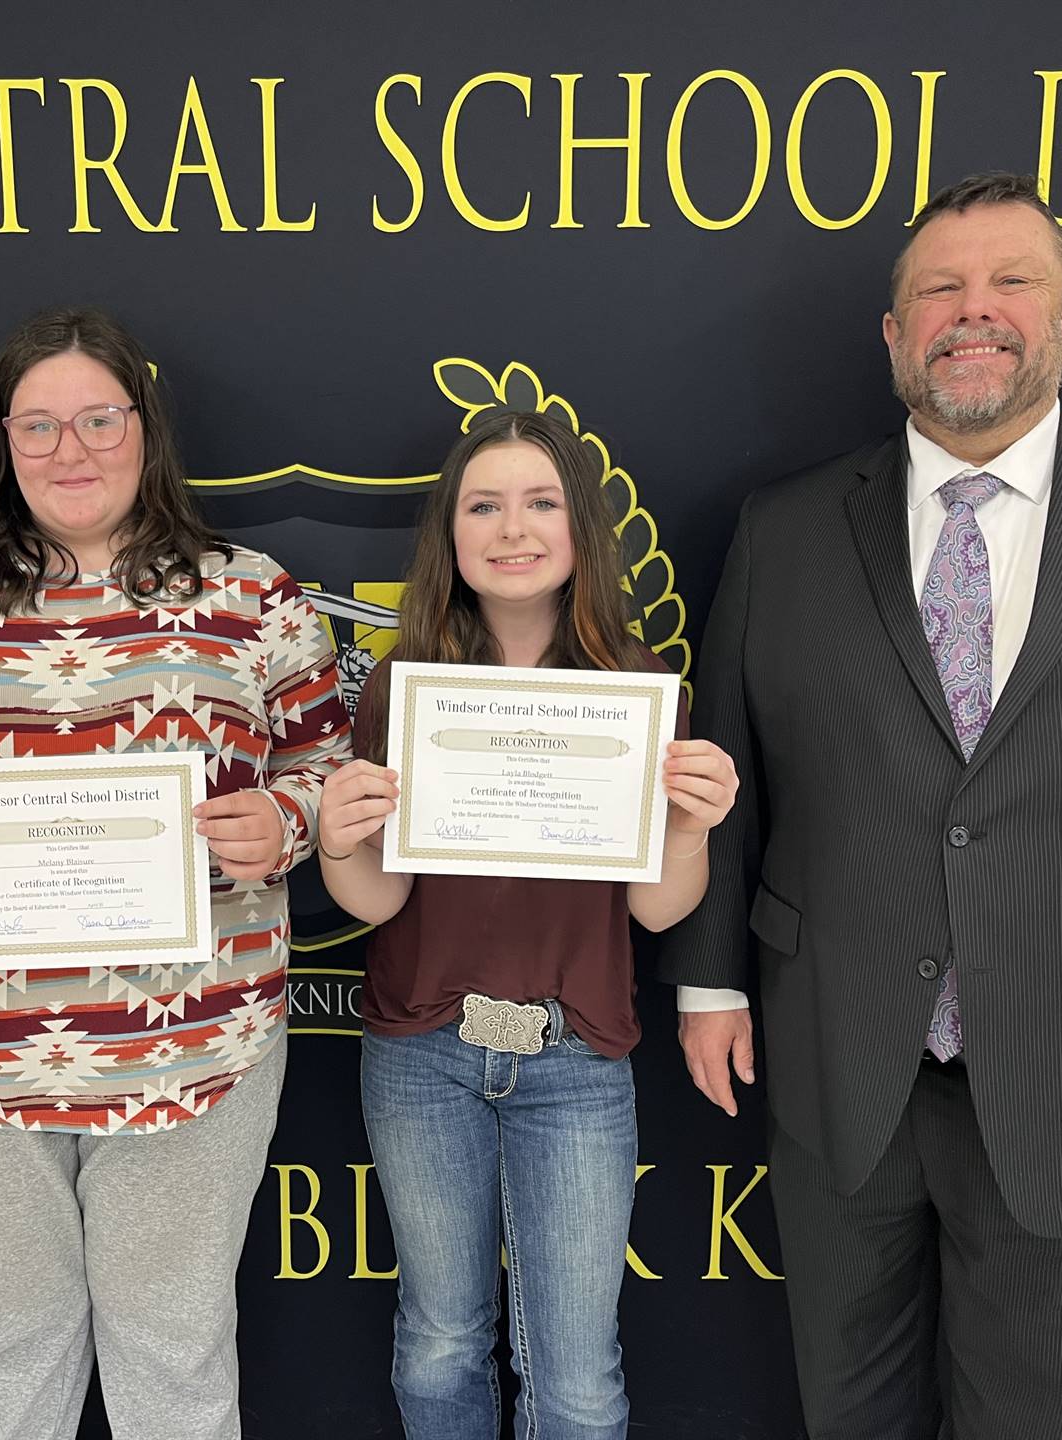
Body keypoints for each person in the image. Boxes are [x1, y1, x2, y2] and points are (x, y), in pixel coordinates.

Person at [665, 171, 1062, 1439]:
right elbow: (726, 770)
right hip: (837, 1058)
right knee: (843, 1411)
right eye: (939, 291)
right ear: (896, 335)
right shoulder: (786, 528)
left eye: (1011, 281)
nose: (977, 311)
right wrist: (709, 980)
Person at [0, 306, 348, 1440]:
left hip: (195, 1048)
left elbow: (329, 765)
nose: (72, 451)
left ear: (145, 429)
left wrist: (287, 818)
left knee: (174, 1352)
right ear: (2, 443)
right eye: (40, 427)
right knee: (3, 1351)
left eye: (99, 419)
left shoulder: (252, 594)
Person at [317, 409, 739, 1440]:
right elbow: (377, 902)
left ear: (579, 529)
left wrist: (691, 828)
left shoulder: (638, 691)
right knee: (440, 1343)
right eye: (485, 505)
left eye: (542, 502)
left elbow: (656, 908)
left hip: (577, 1059)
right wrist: (335, 838)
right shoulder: (399, 692)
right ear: (451, 536)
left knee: (577, 1378)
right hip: (423, 1051)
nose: (514, 528)